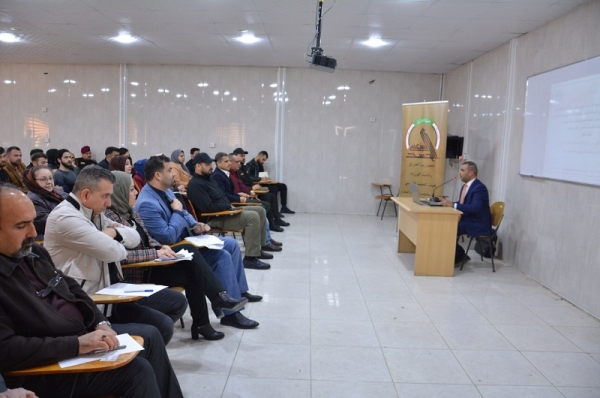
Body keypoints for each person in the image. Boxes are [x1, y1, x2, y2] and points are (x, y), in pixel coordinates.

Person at [0, 184, 184, 398]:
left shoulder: (34, 253)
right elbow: (6, 349)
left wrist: (101, 323)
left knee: (151, 336)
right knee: (136, 372)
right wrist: (76, 345)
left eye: (32, 222)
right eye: (22, 225)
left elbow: (71, 287)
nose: (33, 232)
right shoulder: (66, 219)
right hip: (45, 362)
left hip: (79, 333)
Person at [44, 166, 188, 345]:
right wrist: (116, 238)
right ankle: (139, 361)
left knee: (166, 320)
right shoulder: (66, 218)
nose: (109, 203)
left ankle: (142, 358)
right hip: (88, 305)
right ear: (86, 195)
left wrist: (113, 234)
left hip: (111, 294)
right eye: (105, 196)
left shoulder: (94, 213)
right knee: (152, 334)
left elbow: (134, 237)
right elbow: (115, 252)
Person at [106, 171, 254, 337]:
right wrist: (155, 252)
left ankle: (202, 323)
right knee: (190, 253)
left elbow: (149, 239)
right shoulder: (111, 218)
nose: (136, 192)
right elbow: (120, 255)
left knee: (193, 271)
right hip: (139, 273)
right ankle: (219, 297)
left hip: (153, 264)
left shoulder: (131, 212)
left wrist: (161, 248)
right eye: (131, 189)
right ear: (118, 192)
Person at [135, 156, 262, 328]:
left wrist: (196, 225)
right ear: (158, 175)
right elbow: (167, 237)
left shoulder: (165, 190)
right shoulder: (146, 203)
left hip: (186, 240)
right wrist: (178, 214)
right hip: (172, 252)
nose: (174, 174)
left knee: (231, 245)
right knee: (221, 256)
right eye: (169, 170)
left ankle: (239, 293)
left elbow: (185, 214)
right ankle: (230, 314)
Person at [187, 153, 272, 270]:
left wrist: (230, 205)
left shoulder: (209, 179)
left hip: (225, 211)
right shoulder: (196, 184)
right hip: (214, 218)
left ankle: (258, 249)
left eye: (210, 164)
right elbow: (208, 207)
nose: (211, 166)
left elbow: (222, 196)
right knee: (252, 217)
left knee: (260, 210)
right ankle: (250, 258)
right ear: (197, 166)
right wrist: (228, 206)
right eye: (207, 164)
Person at [440, 161, 492, 266]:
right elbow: (462, 203)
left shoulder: (479, 188)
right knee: (444, 223)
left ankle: (460, 256)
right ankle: (454, 255)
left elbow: (475, 207)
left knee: (449, 227)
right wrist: (448, 203)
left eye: (462, 170)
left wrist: (453, 205)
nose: (459, 173)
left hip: (477, 223)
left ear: (471, 173)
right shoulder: (466, 187)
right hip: (469, 219)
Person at [230, 152, 289, 233]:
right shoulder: (247, 166)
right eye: (240, 157)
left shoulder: (240, 169)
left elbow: (244, 183)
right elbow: (244, 183)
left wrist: (251, 191)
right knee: (266, 199)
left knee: (273, 193)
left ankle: (276, 218)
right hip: (242, 197)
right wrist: (251, 190)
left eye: (243, 156)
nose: (242, 159)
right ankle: (271, 224)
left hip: (248, 192)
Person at [24, 166, 67, 238]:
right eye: (43, 179)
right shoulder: (32, 200)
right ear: (33, 181)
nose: (49, 182)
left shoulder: (58, 193)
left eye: (50, 178)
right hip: (46, 239)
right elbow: (49, 224)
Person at [247, 150, 295, 214]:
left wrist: (266, 178)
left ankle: (284, 207)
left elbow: (262, 174)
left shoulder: (260, 164)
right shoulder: (250, 164)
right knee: (274, 188)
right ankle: (275, 212)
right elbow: (248, 177)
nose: (263, 162)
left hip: (262, 183)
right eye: (263, 159)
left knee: (283, 186)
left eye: (264, 160)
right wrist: (260, 179)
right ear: (259, 156)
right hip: (257, 184)